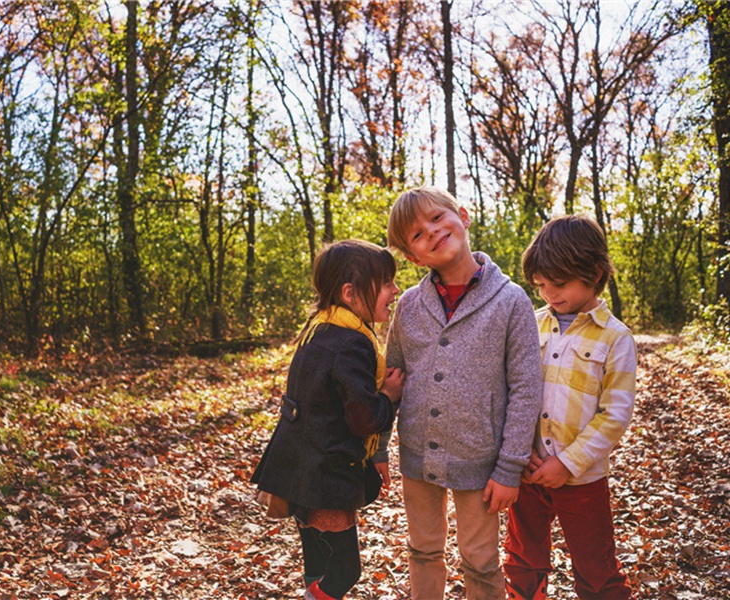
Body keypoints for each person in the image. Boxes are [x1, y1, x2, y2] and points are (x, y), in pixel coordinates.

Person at [385, 186, 543, 600]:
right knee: (422, 550)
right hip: (419, 457)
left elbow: (526, 389)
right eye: (417, 235)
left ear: (464, 216)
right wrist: (377, 447)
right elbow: (391, 383)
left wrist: (510, 467)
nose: (432, 233)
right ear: (414, 256)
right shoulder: (408, 306)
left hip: (482, 460)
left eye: (437, 219)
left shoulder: (511, 302)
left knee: (480, 560)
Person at [251, 239, 405, 600]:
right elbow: (363, 419)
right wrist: (389, 396)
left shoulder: (319, 328)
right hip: (326, 474)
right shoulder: (350, 343)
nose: (395, 289)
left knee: (317, 561)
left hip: (300, 466)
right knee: (345, 571)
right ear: (350, 293)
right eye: (385, 282)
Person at [504, 215, 637, 600]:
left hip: (582, 478)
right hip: (527, 472)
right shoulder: (530, 324)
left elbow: (615, 415)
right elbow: (513, 389)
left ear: (594, 273)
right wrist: (519, 451)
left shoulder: (615, 338)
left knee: (596, 569)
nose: (549, 293)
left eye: (558, 284)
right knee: (522, 561)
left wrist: (566, 463)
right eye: (541, 285)